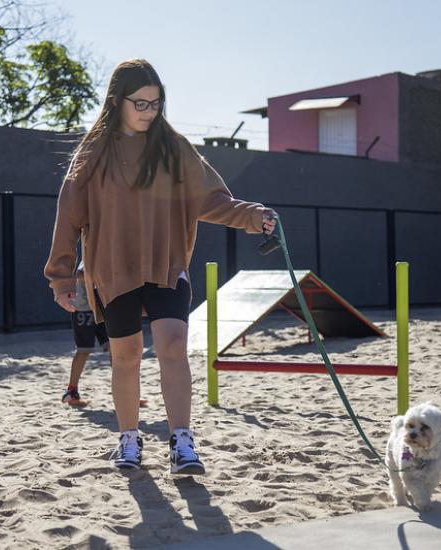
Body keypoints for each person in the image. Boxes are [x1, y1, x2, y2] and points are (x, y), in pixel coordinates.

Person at [44, 59, 277, 475]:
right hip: (113, 270)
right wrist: (61, 276)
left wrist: (251, 215)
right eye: (141, 103)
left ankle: (182, 441)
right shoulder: (94, 152)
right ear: (117, 101)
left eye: (156, 103)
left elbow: (210, 200)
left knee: (172, 344)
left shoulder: (174, 148)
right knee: (126, 355)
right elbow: (69, 214)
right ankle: (129, 441)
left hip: (167, 264)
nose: (150, 111)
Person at [60, 263, 110, 407]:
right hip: (84, 310)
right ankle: (71, 392)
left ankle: (126, 390)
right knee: (83, 350)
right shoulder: (91, 251)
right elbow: (81, 274)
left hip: (102, 308)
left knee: (115, 348)